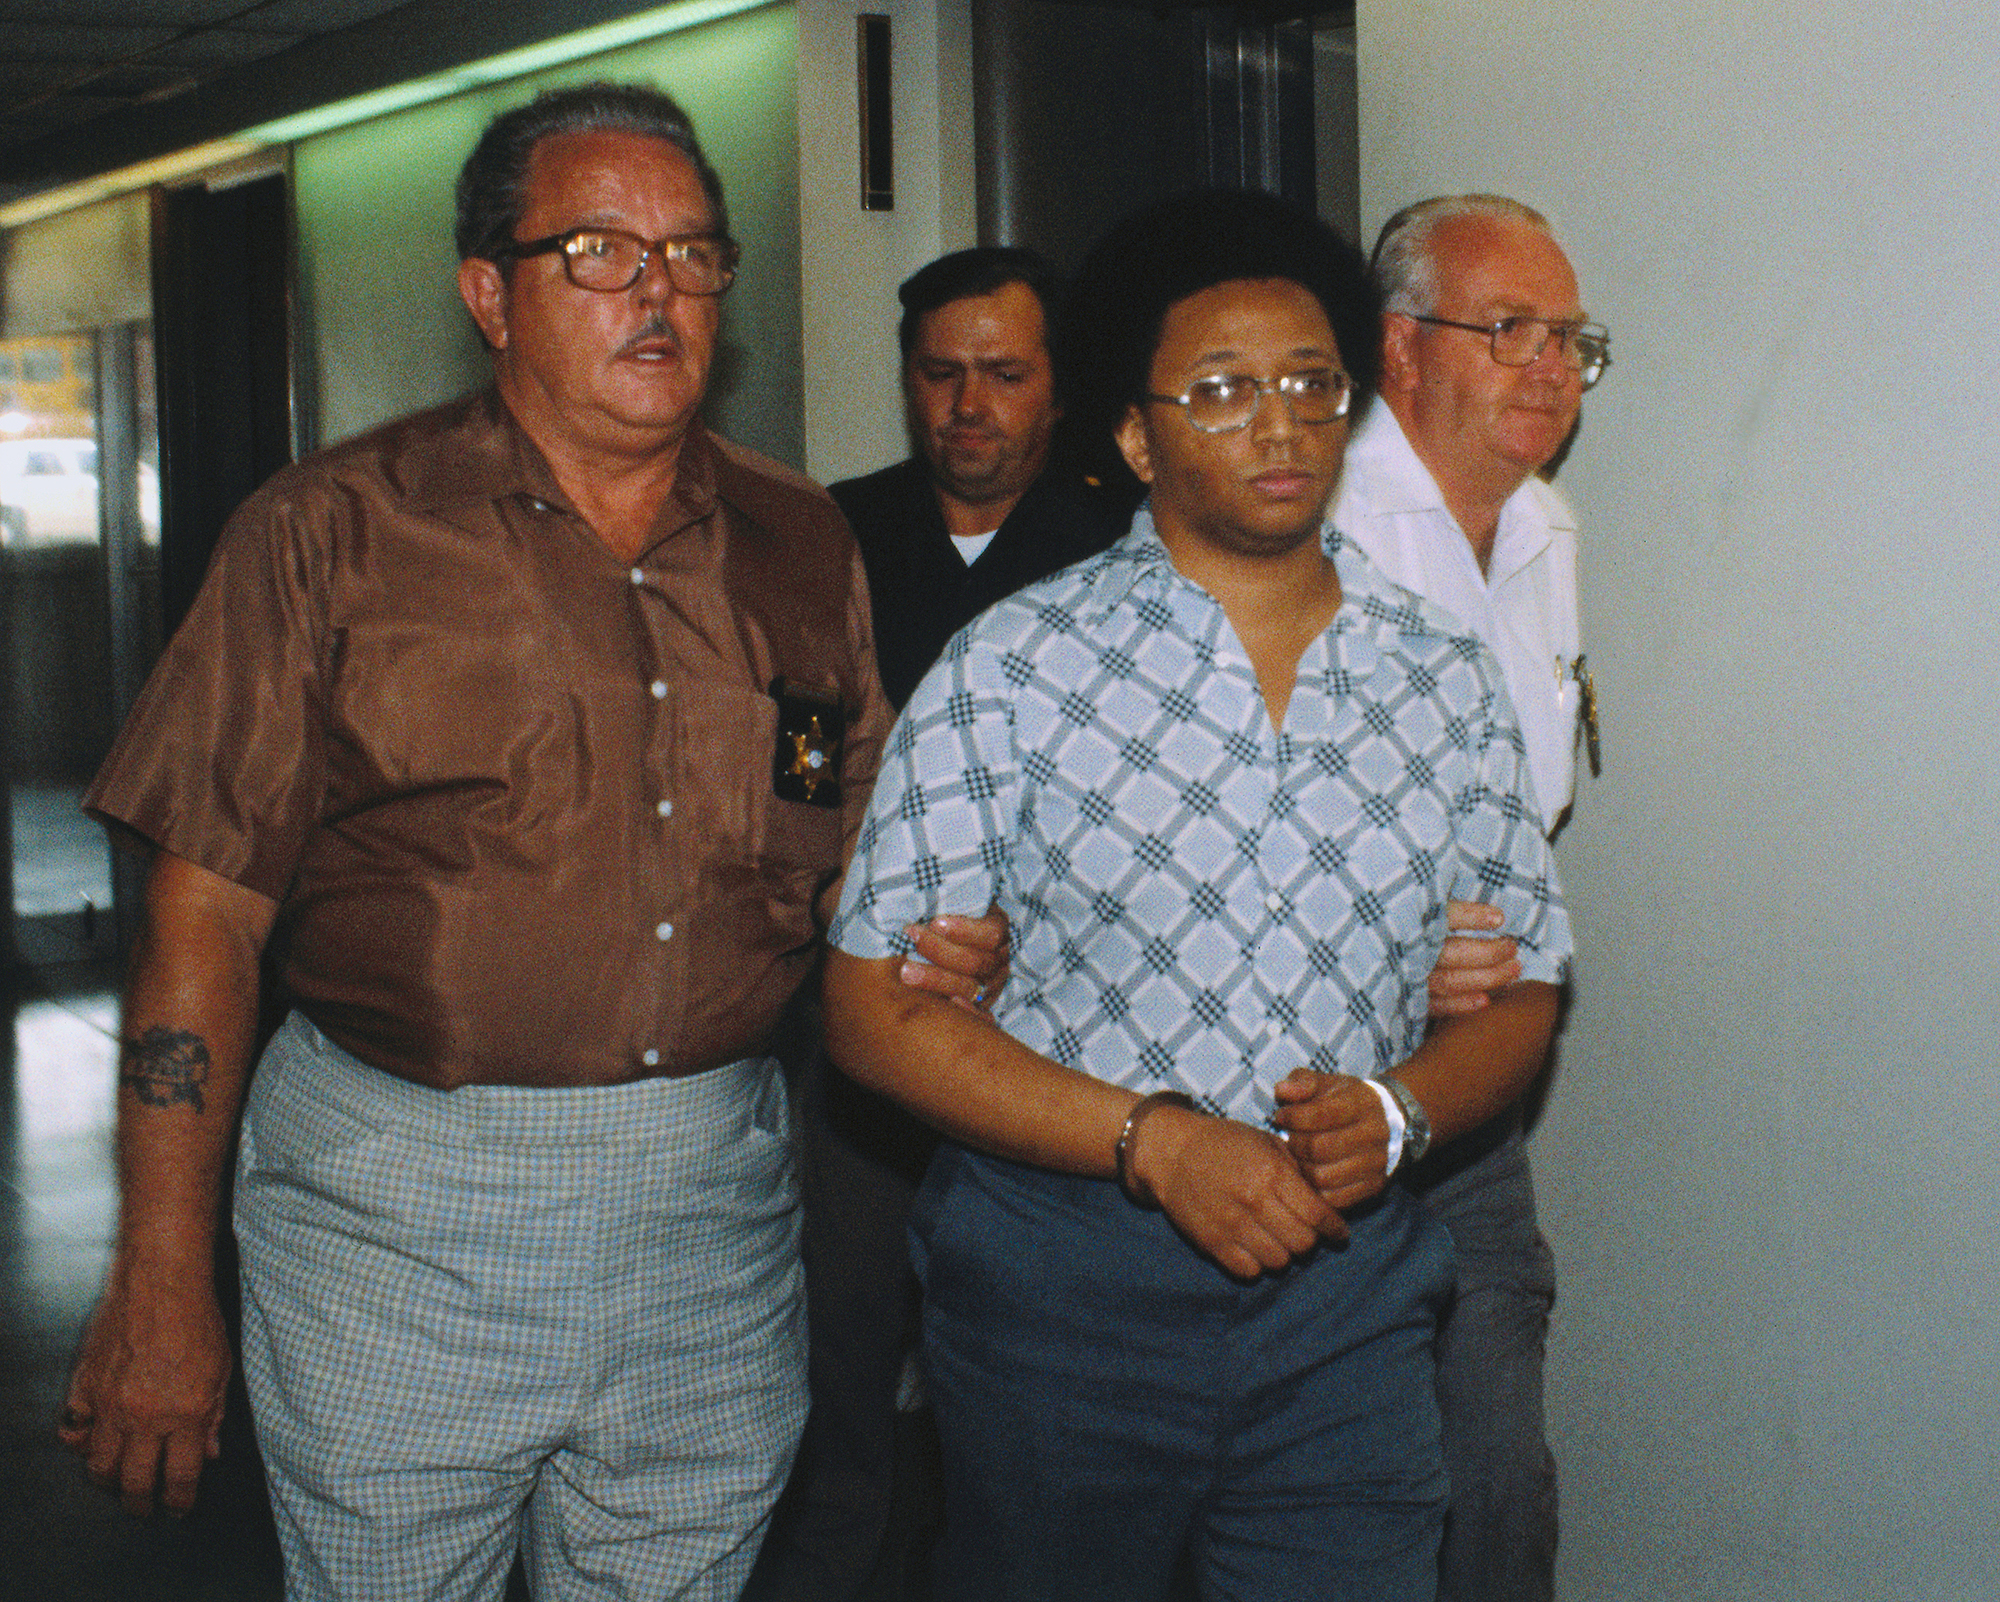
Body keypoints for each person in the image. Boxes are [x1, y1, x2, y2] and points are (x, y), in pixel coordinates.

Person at [55, 82, 996, 1601]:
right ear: (488, 293)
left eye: (693, 255)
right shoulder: (332, 534)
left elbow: (854, 848)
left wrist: (943, 931)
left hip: (712, 1213)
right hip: (399, 1210)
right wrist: (161, 1270)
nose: (659, 293)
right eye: (601, 253)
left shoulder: (796, 538)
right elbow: (205, 917)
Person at [820, 188, 1573, 1602]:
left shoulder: (1438, 675)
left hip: (1347, 1297)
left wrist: (1405, 1107)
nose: (1278, 422)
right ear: (1133, 432)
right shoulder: (1015, 668)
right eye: (1222, 390)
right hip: (1063, 1294)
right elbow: (869, 1010)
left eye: (1307, 384)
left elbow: (1526, 982)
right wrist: (1149, 1141)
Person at [755, 247, 1122, 1602]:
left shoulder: (1122, 545)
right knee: (839, 1348)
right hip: (866, 1018)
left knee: (1035, 1384)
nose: (969, 403)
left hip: (1063, 1036)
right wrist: (839, 867)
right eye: (940, 373)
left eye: (1004, 374)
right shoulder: (829, 534)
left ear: (1057, 391)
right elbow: (796, 758)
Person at [1331, 192, 1609, 1602]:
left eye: (1567, 336)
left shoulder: (1545, 530)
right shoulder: (1306, 520)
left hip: (1469, 1084)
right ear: (1402, 349)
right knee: (1319, 1488)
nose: (1549, 363)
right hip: (1298, 1091)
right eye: (1508, 328)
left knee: (1501, 1477)